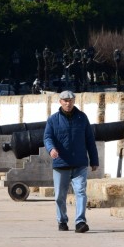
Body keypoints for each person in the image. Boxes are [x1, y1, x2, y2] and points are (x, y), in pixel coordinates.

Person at [43, 90, 98, 233]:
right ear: (60, 102)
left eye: (71, 101)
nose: (68, 103)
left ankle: (80, 222)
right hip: (61, 163)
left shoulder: (82, 118)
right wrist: (51, 149)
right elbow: (47, 137)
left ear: (74, 101)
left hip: (79, 162)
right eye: (65, 101)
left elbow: (90, 140)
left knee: (80, 192)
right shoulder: (53, 119)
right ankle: (62, 220)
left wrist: (94, 160)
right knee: (60, 196)